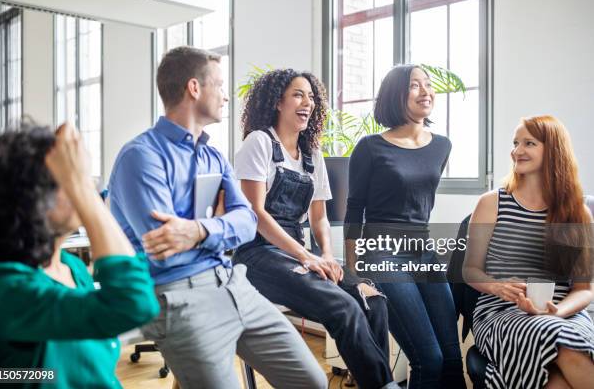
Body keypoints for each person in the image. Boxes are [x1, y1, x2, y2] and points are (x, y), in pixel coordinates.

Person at [108, 46, 326, 389]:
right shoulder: (141, 157)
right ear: (195, 88)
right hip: (180, 296)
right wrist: (221, 228)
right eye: (220, 86)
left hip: (232, 282)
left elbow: (248, 221)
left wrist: (197, 230)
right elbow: (166, 247)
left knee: (312, 380)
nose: (226, 97)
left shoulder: (213, 156)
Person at [233, 68, 398, 389]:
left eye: (311, 96)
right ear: (277, 102)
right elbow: (255, 213)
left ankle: (375, 383)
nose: (307, 101)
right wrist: (306, 257)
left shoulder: (311, 154)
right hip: (257, 256)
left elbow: (318, 217)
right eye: (298, 94)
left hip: (299, 254)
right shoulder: (260, 143)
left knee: (373, 299)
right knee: (344, 307)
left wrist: (326, 256)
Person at [0, 123, 159, 388]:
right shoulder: (0, 287)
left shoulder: (72, 267)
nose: (84, 186)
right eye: (68, 179)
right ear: (30, 198)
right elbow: (133, 302)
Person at [344, 64, 467, 389]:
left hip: (423, 252)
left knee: (453, 360)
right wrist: (354, 273)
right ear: (395, 95)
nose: (425, 91)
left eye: (428, 85)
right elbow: (354, 211)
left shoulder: (442, 145)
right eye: (415, 85)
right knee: (430, 359)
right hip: (382, 254)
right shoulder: (370, 147)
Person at [464, 115, 594, 389]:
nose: (517, 150)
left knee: (560, 370)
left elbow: (584, 289)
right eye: (515, 143)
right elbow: (469, 270)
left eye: (529, 143)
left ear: (554, 149)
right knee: (562, 343)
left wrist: (556, 312)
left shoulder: (578, 213)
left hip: (564, 311)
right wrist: (498, 287)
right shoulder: (492, 203)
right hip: (502, 312)